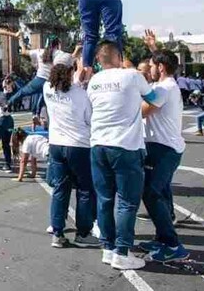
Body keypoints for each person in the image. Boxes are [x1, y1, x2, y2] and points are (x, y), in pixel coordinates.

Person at [87, 40, 157, 270]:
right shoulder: (132, 75)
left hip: (98, 145)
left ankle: (108, 248)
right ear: (119, 57)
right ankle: (122, 251)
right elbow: (153, 99)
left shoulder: (94, 81)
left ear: (99, 60)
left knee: (105, 199)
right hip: (125, 146)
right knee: (127, 201)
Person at [138, 31, 190, 262]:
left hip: (163, 150)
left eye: (151, 65)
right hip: (163, 148)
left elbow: (141, 111)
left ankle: (172, 244)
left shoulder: (163, 89)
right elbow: (163, 62)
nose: (148, 68)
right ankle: (161, 238)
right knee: (161, 192)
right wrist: (153, 47)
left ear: (160, 68)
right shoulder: (168, 83)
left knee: (151, 193)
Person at [43, 54, 99, 249]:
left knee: (60, 189)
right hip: (79, 146)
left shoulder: (47, 88)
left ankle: (57, 233)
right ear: (71, 71)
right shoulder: (81, 94)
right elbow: (89, 120)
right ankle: (83, 233)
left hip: (56, 145)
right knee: (85, 190)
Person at [9, 36, 66, 115]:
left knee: (22, 92)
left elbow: (24, 51)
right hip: (50, 82)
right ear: (57, 45)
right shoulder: (59, 53)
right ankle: (39, 115)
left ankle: (8, 104)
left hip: (38, 80)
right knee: (46, 103)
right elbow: (71, 57)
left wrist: (21, 40)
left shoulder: (39, 51)